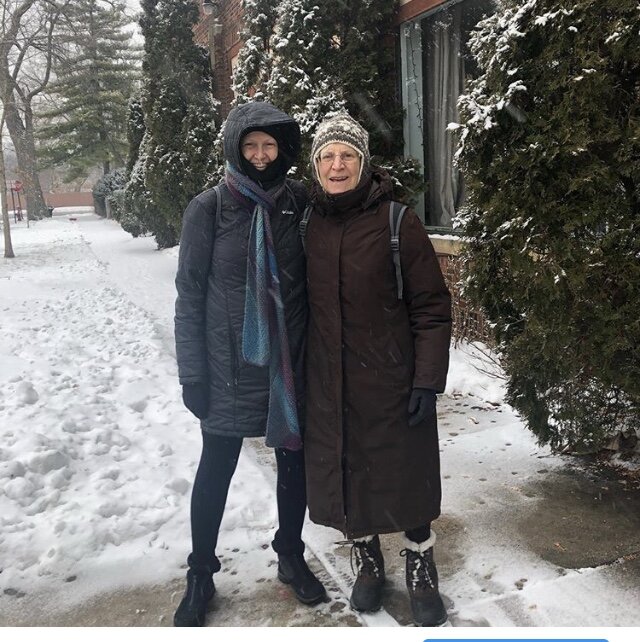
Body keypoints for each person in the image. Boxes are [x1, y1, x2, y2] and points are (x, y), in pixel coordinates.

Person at [173, 101, 326, 627]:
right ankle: (200, 572)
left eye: (270, 146)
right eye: (250, 145)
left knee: (292, 463)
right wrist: (191, 373)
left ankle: (290, 553)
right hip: (226, 366)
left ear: (283, 150)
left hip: (286, 362)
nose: (261, 156)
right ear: (235, 149)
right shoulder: (209, 208)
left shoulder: (299, 202)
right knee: (216, 467)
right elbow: (189, 295)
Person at [303, 112, 452, 626]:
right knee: (349, 476)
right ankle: (368, 565)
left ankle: (421, 567)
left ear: (364, 164)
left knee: (407, 480)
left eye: (347, 155)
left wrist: (428, 380)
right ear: (315, 165)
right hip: (328, 383)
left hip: (391, 380)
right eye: (328, 156)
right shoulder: (307, 223)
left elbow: (431, 307)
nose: (337, 165)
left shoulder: (397, 221)